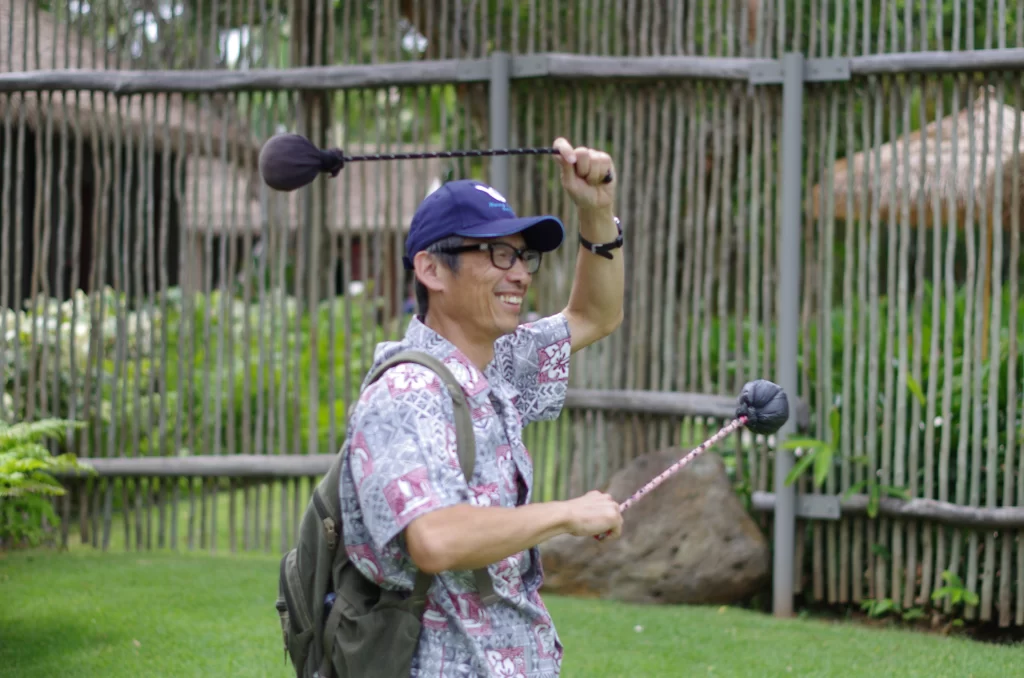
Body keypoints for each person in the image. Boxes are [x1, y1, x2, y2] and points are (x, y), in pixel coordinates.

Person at [338, 137, 625, 677]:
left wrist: (596, 208)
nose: (519, 273)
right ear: (431, 270)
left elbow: (596, 315)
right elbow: (436, 538)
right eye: (497, 254)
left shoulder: (498, 361)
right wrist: (567, 514)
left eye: (523, 256)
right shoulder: (407, 393)